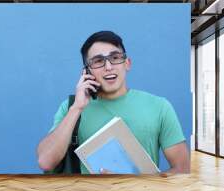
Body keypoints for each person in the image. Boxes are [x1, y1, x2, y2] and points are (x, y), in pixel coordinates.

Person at [37, 31, 190, 174]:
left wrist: (134, 183)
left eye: (115, 58)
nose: (108, 67)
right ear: (87, 72)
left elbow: (182, 169)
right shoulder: (71, 107)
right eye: (98, 61)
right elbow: (46, 162)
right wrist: (77, 108)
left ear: (127, 63)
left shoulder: (159, 106)